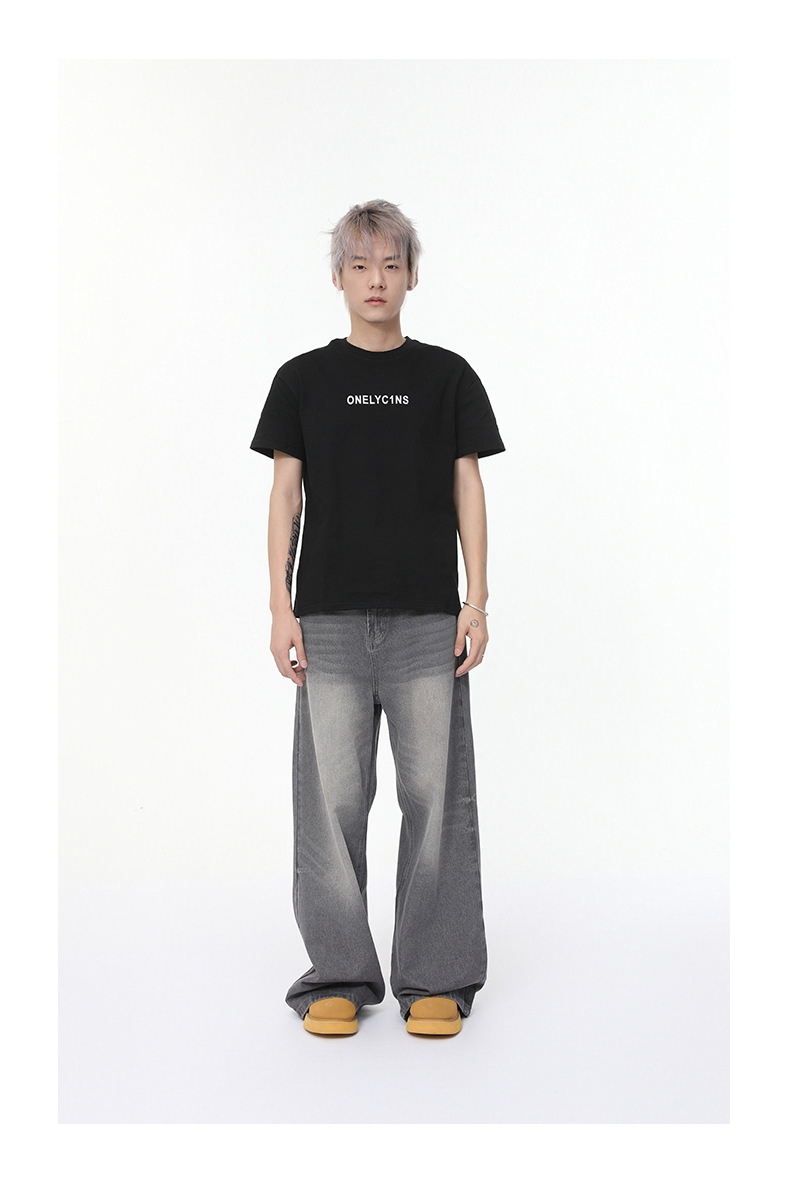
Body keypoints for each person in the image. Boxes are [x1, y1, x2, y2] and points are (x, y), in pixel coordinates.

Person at [250, 199, 505, 1037]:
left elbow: (469, 486)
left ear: (412, 275)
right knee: (331, 804)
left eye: (391, 264)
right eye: (360, 265)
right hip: (326, 621)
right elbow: (285, 497)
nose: (376, 279)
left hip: (429, 620)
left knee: (437, 800)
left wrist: (476, 599)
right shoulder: (301, 380)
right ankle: (338, 972)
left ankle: (435, 976)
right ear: (338, 277)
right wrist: (280, 605)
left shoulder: (448, 377)